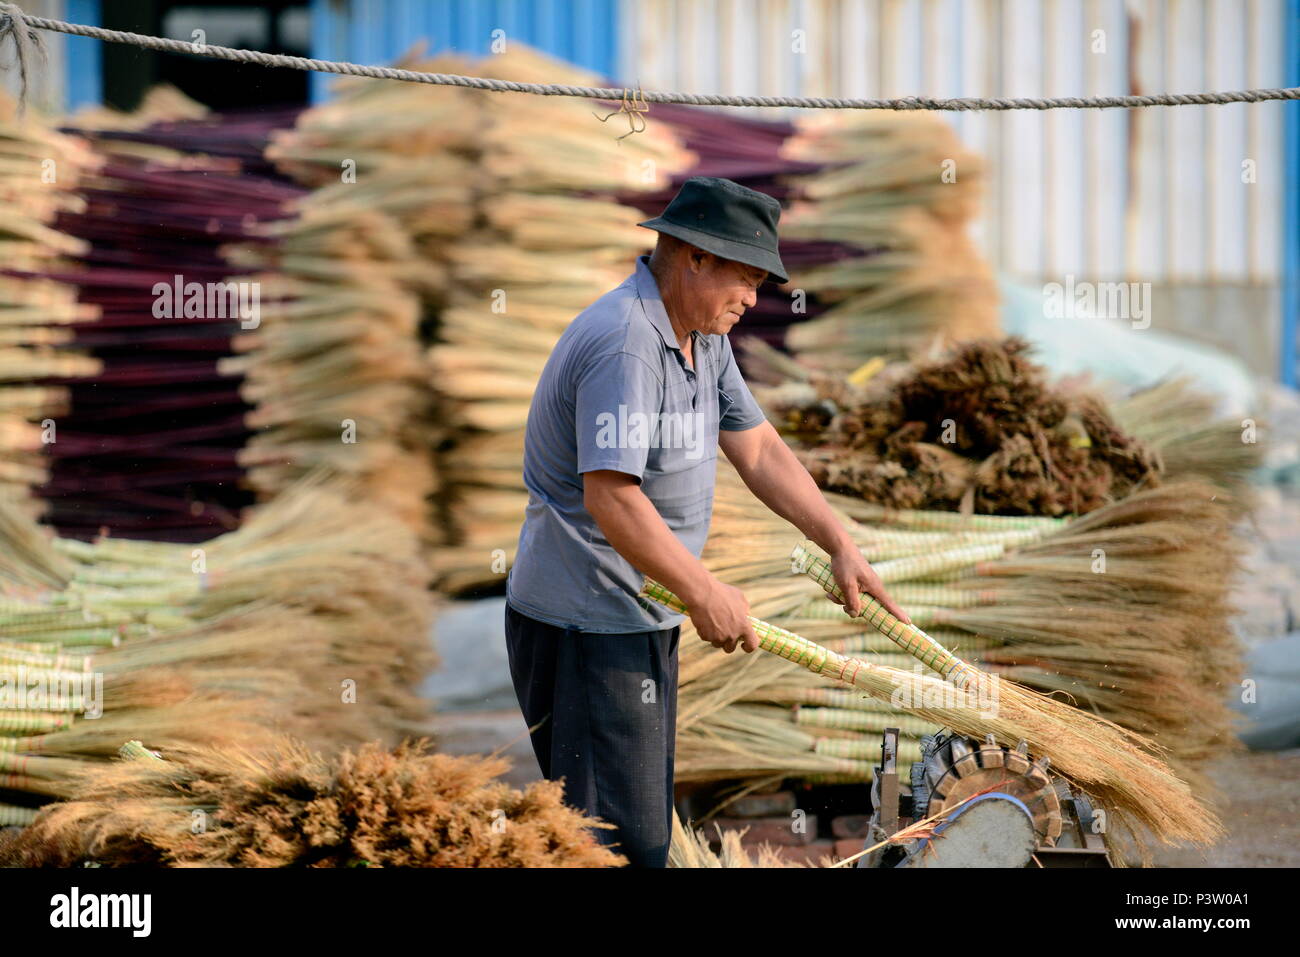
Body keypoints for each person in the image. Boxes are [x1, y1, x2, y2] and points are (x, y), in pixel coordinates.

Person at [504, 176, 910, 867]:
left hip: (638, 618)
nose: (753, 299)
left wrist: (839, 543)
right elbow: (612, 497)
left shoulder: (700, 335)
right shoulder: (627, 344)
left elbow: (758, 448)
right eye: (744, 278)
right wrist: (703, 589)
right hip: (586, 630)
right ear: (693, 257)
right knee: (615, 845)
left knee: (634, 833)